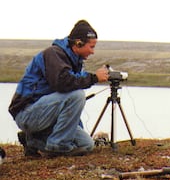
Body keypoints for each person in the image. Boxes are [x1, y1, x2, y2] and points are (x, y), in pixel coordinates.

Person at [8, 20, 109, 157]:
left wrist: (75, 128)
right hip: (27, 113)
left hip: (46, 115)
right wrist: (94, 78)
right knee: (77, 95)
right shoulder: (53, 54)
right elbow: (63, 84)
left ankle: (32, 141)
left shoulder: (73, 61)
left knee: (86, 145)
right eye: (91, 47)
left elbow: (68, 102)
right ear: (78, 43)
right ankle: (57, 147)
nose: (92, 52)